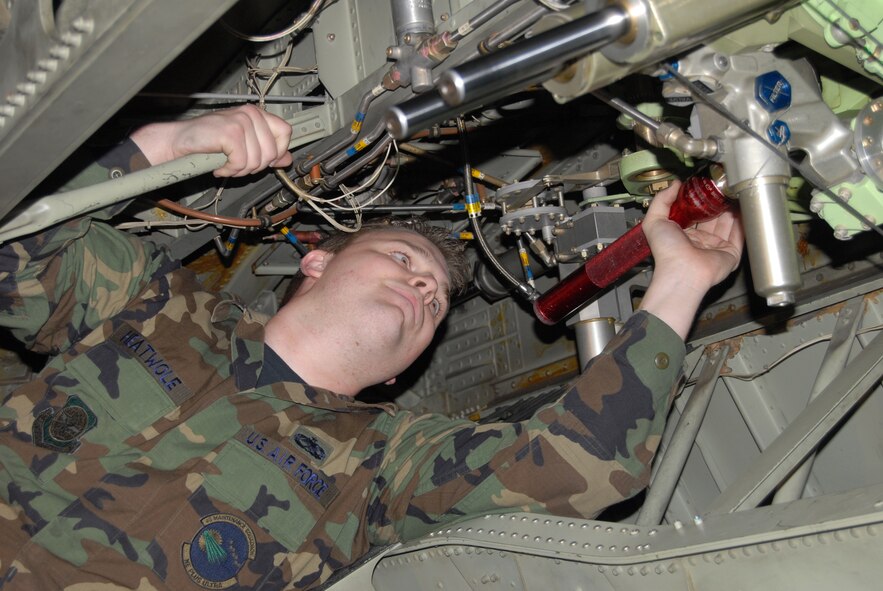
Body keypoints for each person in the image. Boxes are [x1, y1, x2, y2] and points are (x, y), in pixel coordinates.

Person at [0, 105, 743, 589]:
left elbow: (586, 467)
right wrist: (166, 143)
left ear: (404, 370)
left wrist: (677, 281)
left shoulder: (383, 465)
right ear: (317, 260)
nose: (424, 287)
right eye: (401, 259)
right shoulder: (156, 303)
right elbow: (17, 248)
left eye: (436, 300)